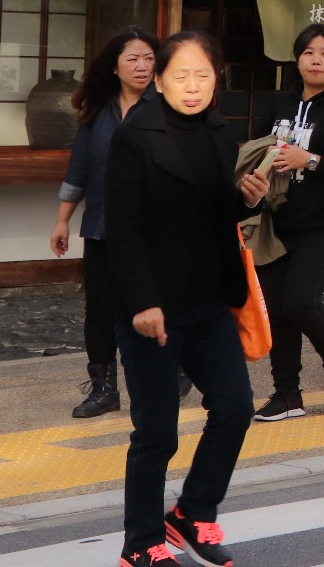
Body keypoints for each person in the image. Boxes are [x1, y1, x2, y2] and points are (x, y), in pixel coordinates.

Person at [105, 30, 263, 567]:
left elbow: (214, 218)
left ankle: (193, 512)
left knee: (237, 407)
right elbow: (120, 229)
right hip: (153, 306)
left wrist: (245, 202)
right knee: (157, 429)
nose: (192, 87)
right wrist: (143, 302)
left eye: (203, 76)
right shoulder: (134, 136)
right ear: (160, 79)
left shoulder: (220, 133)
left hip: (209, 299)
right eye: (180, 76)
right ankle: (141, 542)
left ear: (217, 79)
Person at [249, 23, 324, 422]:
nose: (315, 60)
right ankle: (287, 395)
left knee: (300, 299)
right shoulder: (277, 105)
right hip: (276, 224)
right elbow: (256, 152)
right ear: (296, 59)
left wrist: (311, 160)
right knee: (279, 310)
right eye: (307, 52)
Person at [51, 27, 158, 419]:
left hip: (153, 229)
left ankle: (166, 375)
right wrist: (62, 221)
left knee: (149, 303)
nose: (143, 66)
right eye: (133, 59)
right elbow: (78, 170)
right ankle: (104, 388)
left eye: (149, 58)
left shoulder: (167, 107)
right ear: (114, 67)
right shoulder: (98, 111)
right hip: (101, 226)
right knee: (98, 309)